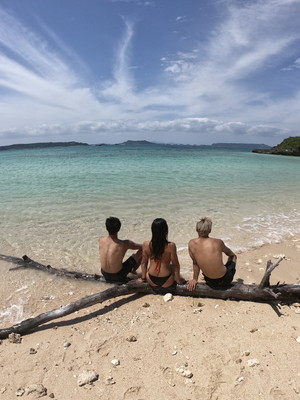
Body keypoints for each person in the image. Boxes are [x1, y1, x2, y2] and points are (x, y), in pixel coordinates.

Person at [187, 217, 237, 291]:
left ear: (196, 229)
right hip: (225, 279)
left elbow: (195, 263)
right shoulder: (218, 242)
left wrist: (194, 279)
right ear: (210, 230)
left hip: (209, 281)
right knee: (234, 256)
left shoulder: (191, 243)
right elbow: (230, 254)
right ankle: (224, 275)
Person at [137, 218, 185, 288]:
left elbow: (144, 263)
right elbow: (176, 265)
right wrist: (178, 280)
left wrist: (143, 278)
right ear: (166, 231)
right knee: (171, 266)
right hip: (167, 280)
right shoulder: (171, 245)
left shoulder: (146, 244)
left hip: (151, 279)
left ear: (152, 230)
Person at [99, 216, 142, 283]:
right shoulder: (124, 243)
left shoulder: (101, 240)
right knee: (141, 251)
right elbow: (142, 246)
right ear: (119, 228)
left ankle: (130, 271)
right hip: (118, 276)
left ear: (106, 228)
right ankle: (133, 271)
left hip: (104, 274)